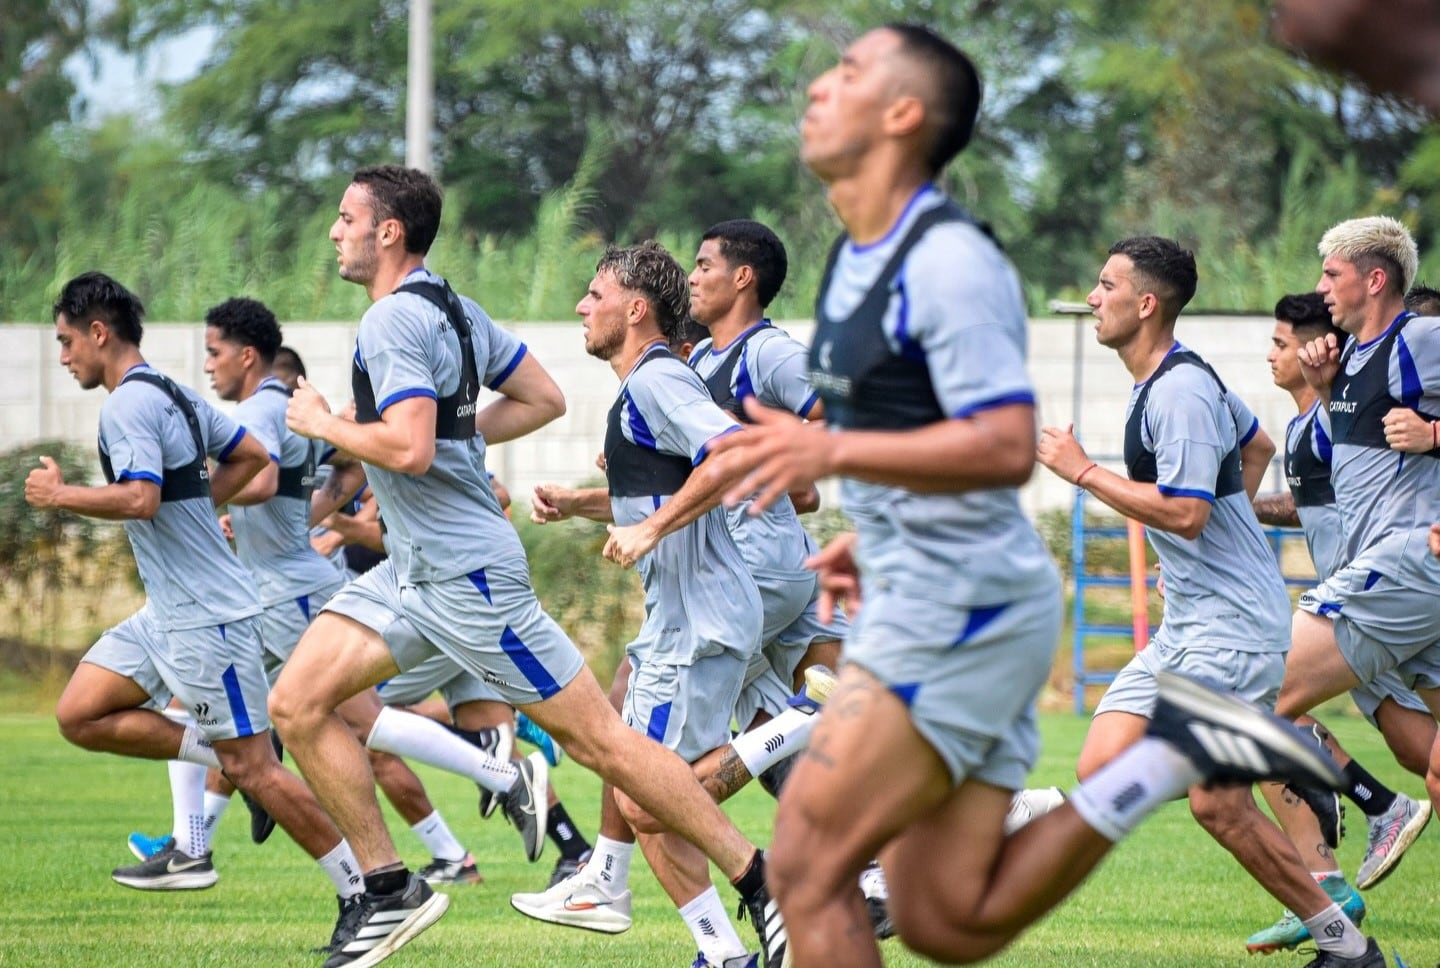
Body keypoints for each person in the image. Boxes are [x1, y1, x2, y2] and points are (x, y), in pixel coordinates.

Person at [705, 25, 1348, 968]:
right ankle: (1172, 758)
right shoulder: (857, 267)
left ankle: (1185, 764)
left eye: (844, 75)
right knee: (943, 919)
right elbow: (918, 437)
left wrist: (824, 444)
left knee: (809, 860)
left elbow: (1004, 445)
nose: (814, 91)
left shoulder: (948, 262)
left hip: (970, 608)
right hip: (933, 589)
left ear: (902, 115)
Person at [270, 165, 787, 968]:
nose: (334, 231)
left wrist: (325, 426)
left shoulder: (391, 323)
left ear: (388, 232)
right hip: (415, 573)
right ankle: (387, 888)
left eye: (345, 218)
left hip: (468, 578)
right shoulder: (456, 309)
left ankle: (759, 880)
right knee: (297, 703)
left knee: (605, 748)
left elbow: (405, 448)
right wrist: (458, 446)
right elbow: (539, 399)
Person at [25, 273, 371, 945]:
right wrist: (201, 508)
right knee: (79, 712)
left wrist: (61, 495)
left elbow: (140, 499)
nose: (63, 356)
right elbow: (248, 458)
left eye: (67, 341)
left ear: (99, 333)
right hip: (168, 614)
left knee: (255, 771)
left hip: (207, 617)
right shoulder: (173, 391)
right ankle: (219, 757)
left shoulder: (128, 405)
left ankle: (366, 891)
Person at [519, 240, 781, 968]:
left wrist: (651, 529)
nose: (581, 305)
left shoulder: (660, 381)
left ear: (635, 309)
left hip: (698, 623)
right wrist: (583, 503)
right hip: (684, 619)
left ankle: (793, 734)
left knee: (643, 795)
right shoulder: (646, 386)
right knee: (633, 770)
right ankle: (718, 952)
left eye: (594, 293)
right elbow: (661, 490)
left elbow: (732, 452)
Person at [1247, 291, 1432, 951]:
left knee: (1259, 703)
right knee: (1422, 752)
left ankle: (1371, 815)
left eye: (1278, 342)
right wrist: (1239, 512)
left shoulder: (1335, 414)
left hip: (1378, 601)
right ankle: (1348, 854)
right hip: (1360, 604)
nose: (1270, 353)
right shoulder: (1308, 426)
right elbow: (1314, 504)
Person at [1283, 216, 1440, 899]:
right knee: (1427, 759)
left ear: (1374, 280)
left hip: (1407, 566)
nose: (1322, 290)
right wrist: (1323, 390)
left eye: (1332, 276)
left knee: (1258, 687)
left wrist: (1435, 432)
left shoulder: (1421, 339)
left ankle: (1347, 841)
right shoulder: (1348, 363)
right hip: (1401, 578)